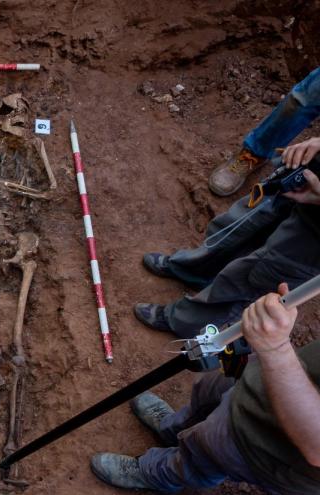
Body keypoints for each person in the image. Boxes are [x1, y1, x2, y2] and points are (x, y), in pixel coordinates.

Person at [134, 66, 320, 338]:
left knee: (262, 271)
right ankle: (193, 268)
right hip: (310, 172)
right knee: (248, 221)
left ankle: (185, 321)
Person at [91, 284, 320, 495]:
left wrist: (277, 349)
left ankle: (157, 473)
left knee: (207, 451)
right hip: (269, 375)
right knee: (206, 395)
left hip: (271, 441)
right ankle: (170, 428)